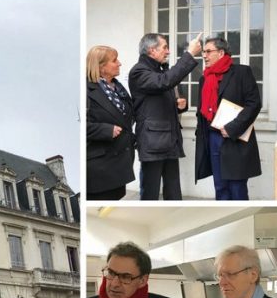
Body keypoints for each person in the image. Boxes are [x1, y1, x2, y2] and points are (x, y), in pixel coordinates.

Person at [128, 33, 202, 200]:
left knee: (174, 191)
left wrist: (179, 106)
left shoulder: (160, 70)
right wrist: (189, 54)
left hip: (169, 139)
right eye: (165, 47)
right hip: (153, 142)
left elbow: (159, 99)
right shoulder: (138, 71)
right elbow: (164, 82)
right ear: (152, 50)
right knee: (150, 192)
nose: (168, 52)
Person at [195, 38, 262, 200]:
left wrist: (231, 128)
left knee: (237, 187)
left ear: (221, 53)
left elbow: (254, 104)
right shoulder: (204, 78)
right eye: (203, 52)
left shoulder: (241, 72)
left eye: (208, 51)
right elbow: (202, 112)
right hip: (213, 138)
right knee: (220, 186)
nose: (204, 55)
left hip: (235, 137)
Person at [86, 46, 135, 200]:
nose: (119, 63)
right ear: (101, 67)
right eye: (114, 60)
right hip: (101, 166)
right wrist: (105, 130)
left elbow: (127, 116)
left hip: (120, 162)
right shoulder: (87, 89)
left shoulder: (118, 88)